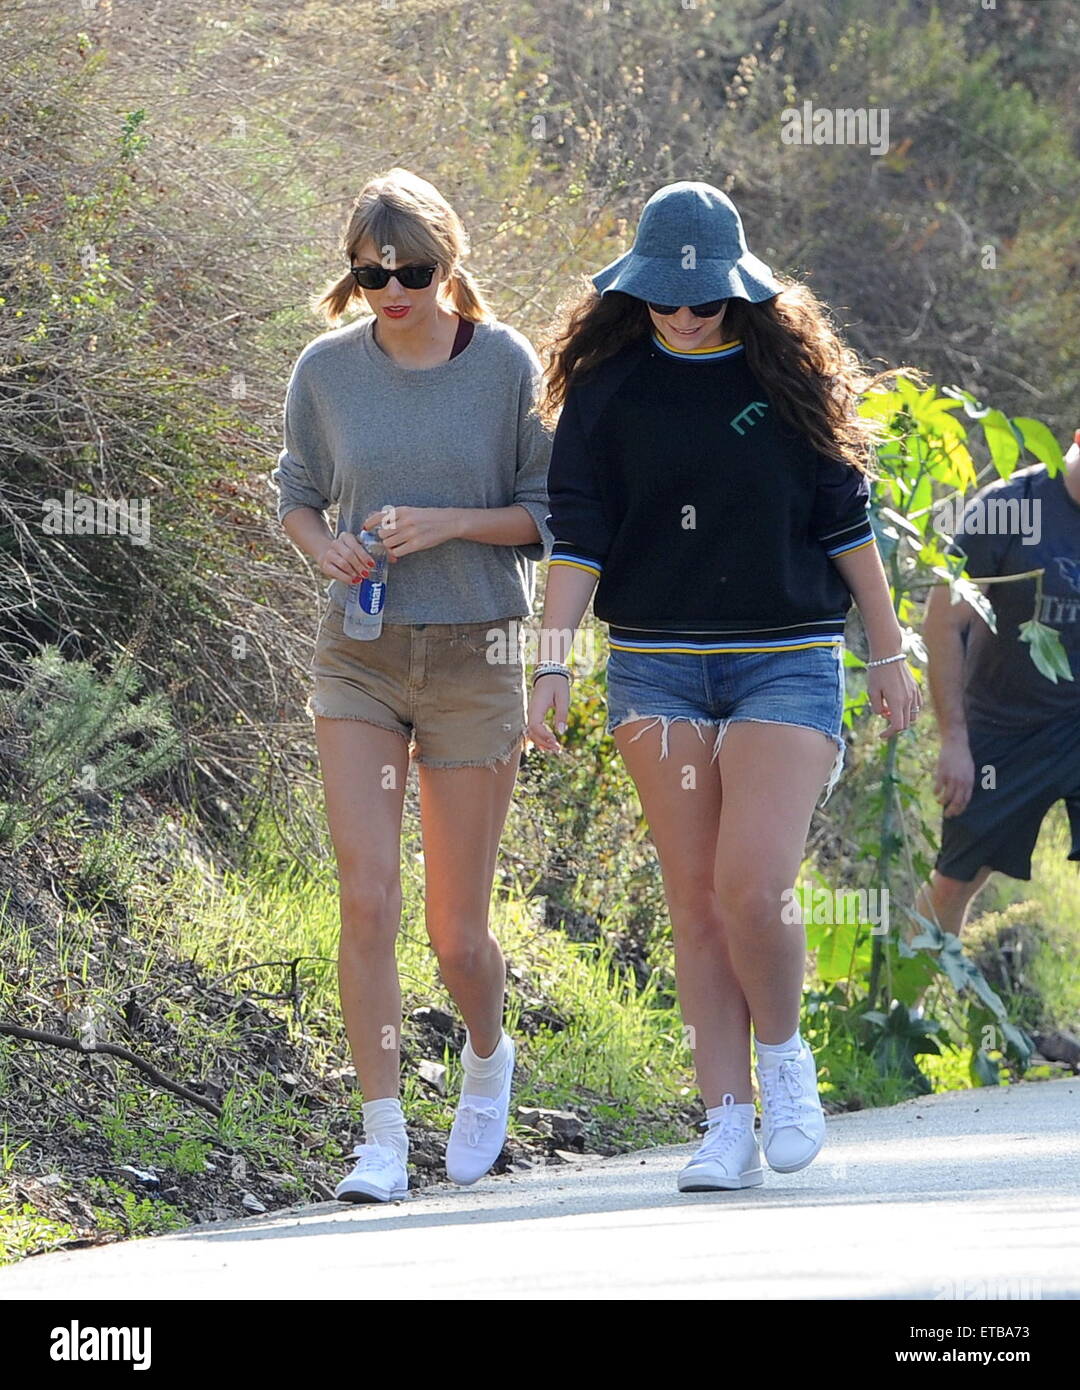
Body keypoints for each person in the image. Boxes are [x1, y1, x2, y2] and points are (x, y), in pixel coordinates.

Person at [527, 181, 919, 1192]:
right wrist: (551, 661)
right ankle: (724, 1120)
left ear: (739, 295)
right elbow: (579, 536)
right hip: (657, 663)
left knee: (753, 883)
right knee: (695, 900)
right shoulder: (609, 390)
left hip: (787, 656)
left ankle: (786, 1062)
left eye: (705, 303)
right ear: (639, 292)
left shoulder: (786, 379)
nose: (686, 316)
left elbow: (845, 525)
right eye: (667, 300)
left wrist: (886, 648)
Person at [271, 168, 552, 1202]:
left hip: (477, 653)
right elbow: (295, 495)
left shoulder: (507, 365)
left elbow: (547, 511)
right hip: (359, 651)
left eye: (414, 271)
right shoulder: (326, 371)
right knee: (365, 896)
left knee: (456, 932)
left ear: (451, 260)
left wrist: (446, 522)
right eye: (372, 274)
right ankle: (381, 1133)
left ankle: (487, 1057)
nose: (393, 291)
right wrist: (326, 549)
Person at [916, 429, 1080, 937]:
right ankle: (906, 1009)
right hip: (1003, 727)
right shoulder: (1011, 507)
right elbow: (942, 623)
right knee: (959, 878)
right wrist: (954, 741)